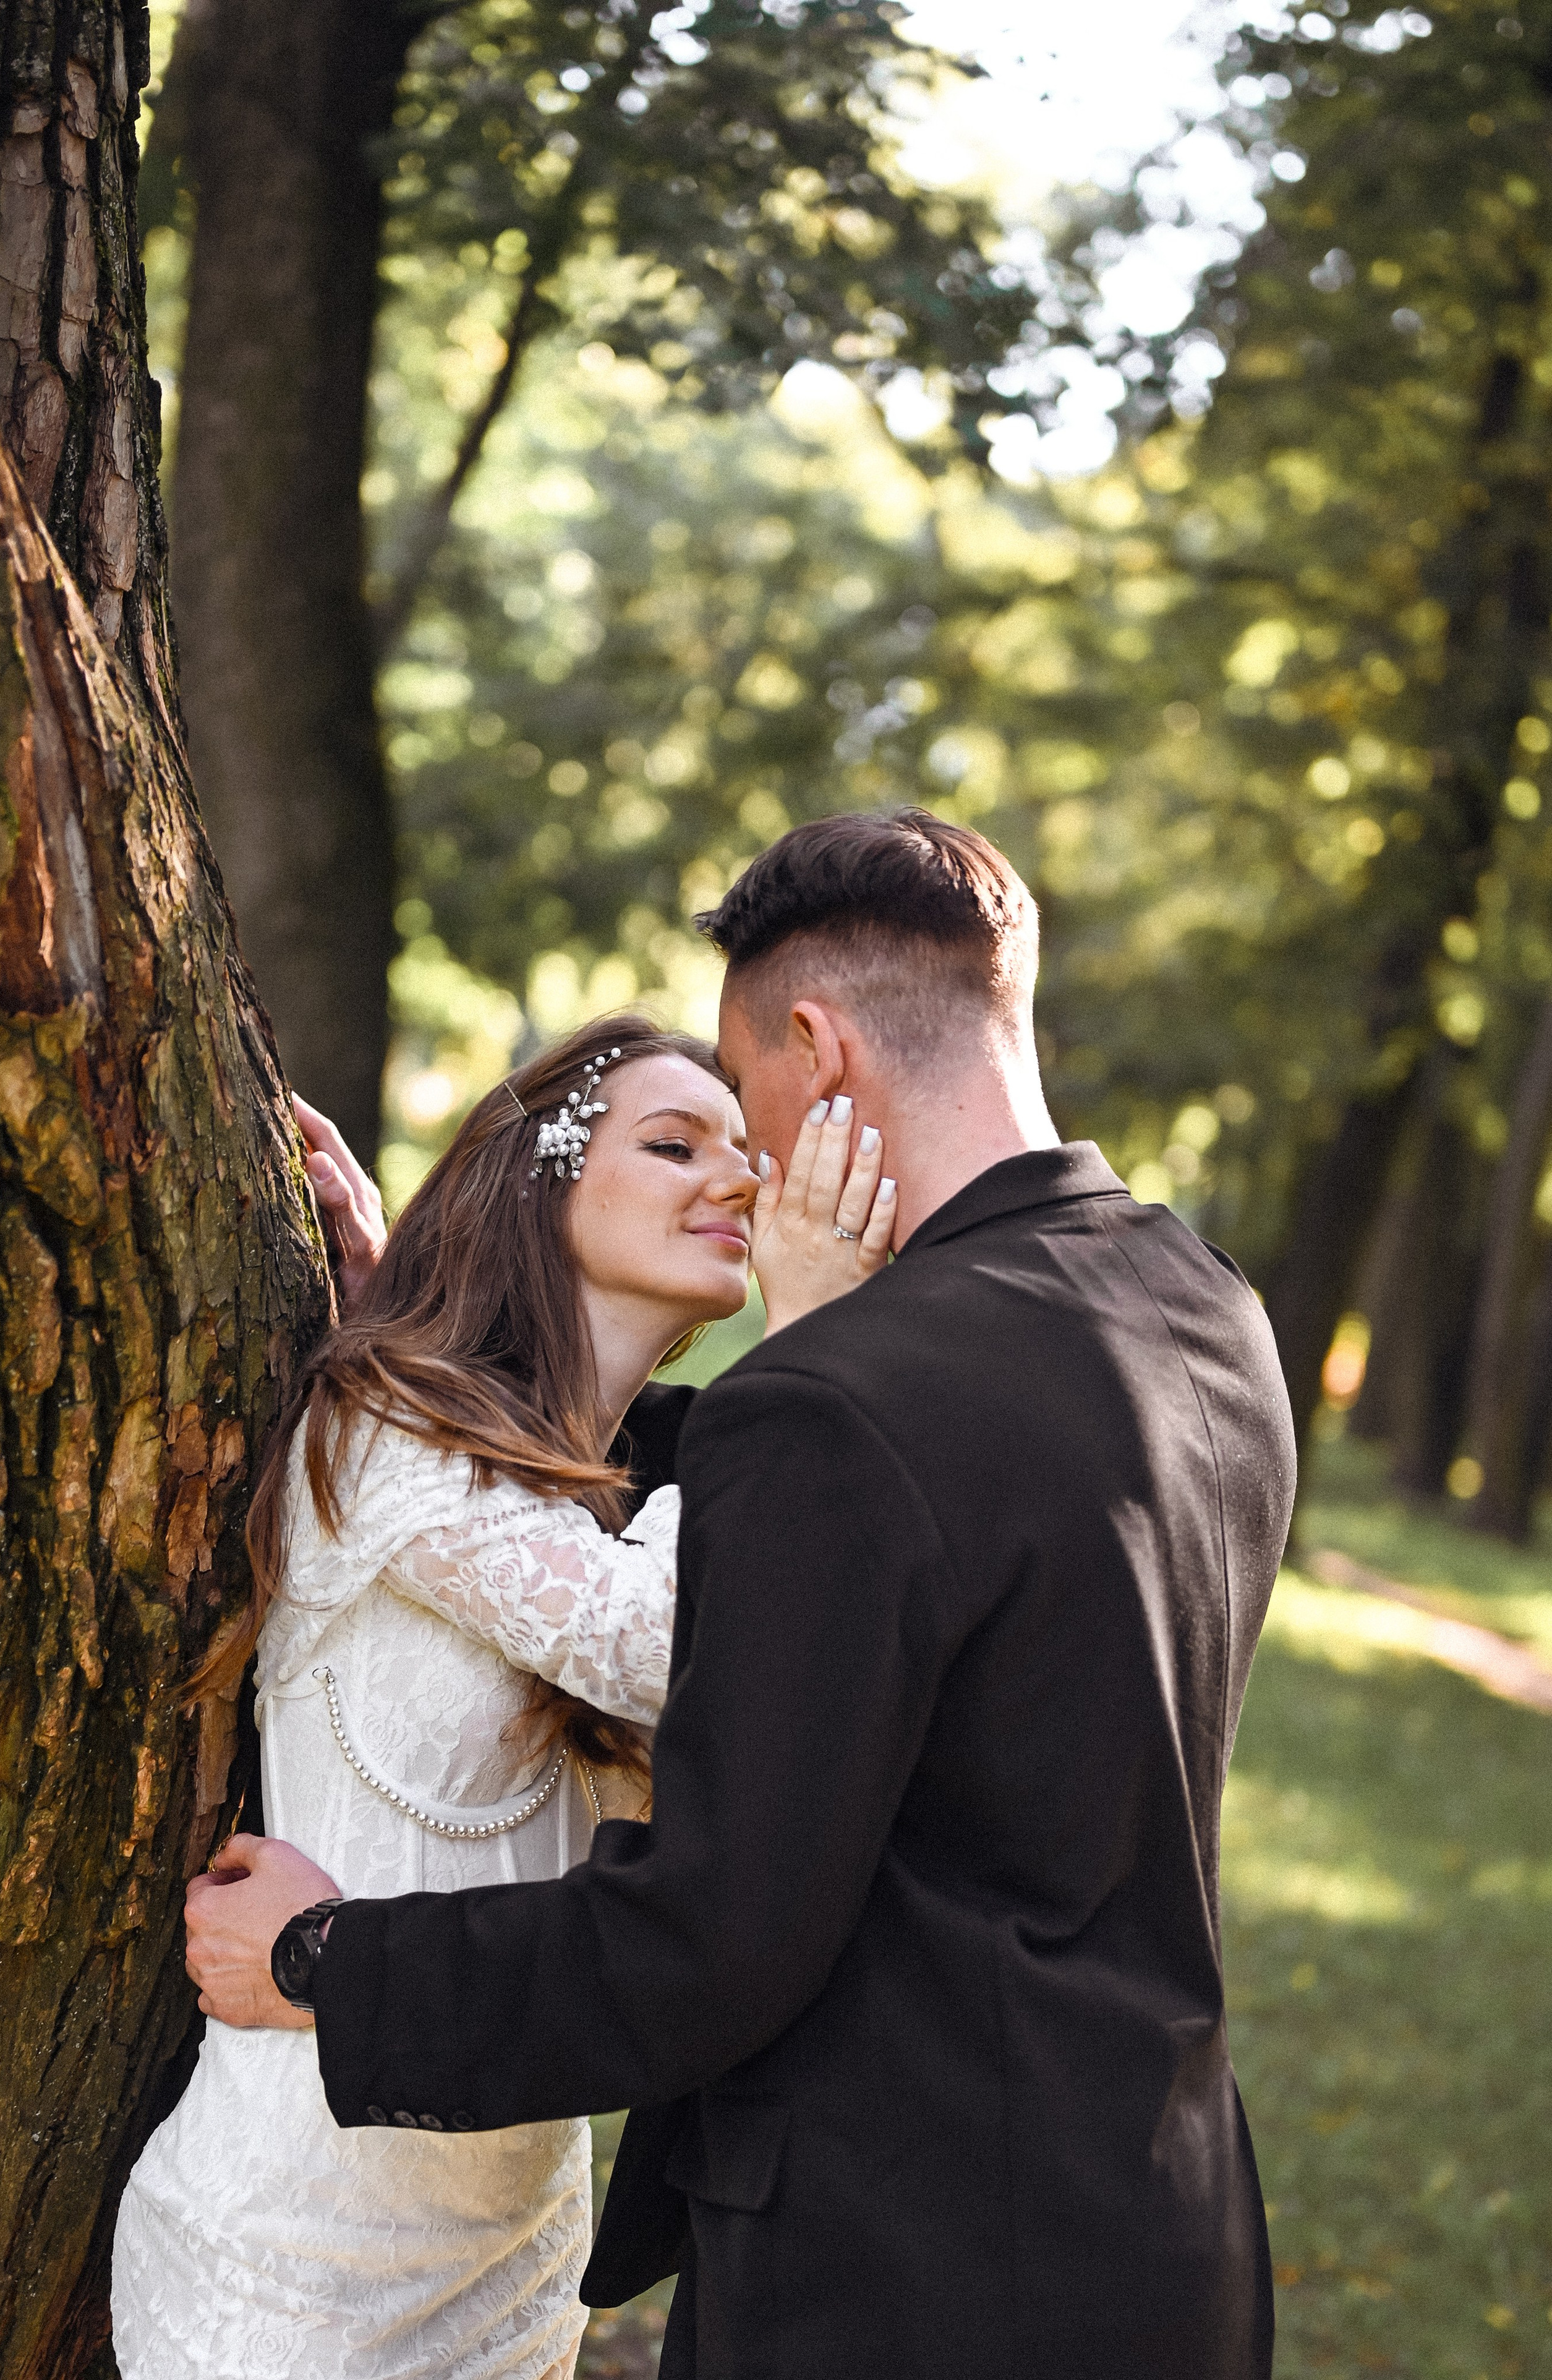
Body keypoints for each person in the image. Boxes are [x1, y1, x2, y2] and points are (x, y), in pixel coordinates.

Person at [187, 809, 1297, 2379]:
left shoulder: (841, 1402)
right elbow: (860, 1522)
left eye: (747, 1091)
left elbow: (708, 1943)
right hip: (1164, 2231)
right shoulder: (1200, 1312)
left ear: (813, 1043)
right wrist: (434, 1347)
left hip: (897, 2278)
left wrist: (324, 1961)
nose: (755, 1156)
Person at [113, 1013, 895, 2380]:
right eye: (673, 1142)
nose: (741, 1179)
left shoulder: (617, 1502)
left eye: (744, 1147)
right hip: (287, 2259)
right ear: (534, 1181)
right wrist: (813, 1339)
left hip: (515, 2257)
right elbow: (656, 1642)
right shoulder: (383, 1424)